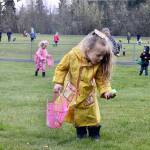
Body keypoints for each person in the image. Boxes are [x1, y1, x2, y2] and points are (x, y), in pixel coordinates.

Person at [53, 29, 116, 141]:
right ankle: (80, 134)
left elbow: (102, 79)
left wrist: (106, 91)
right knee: (78, 114)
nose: (101, 58)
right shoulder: (72, 55)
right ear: (88, 49)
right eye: (98, 55)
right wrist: (58, 82)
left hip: (88, 93)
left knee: (92, 114)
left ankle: (94, 133)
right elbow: (62, 68)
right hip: (72, 91)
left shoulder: (98, 64)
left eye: (103, 56)